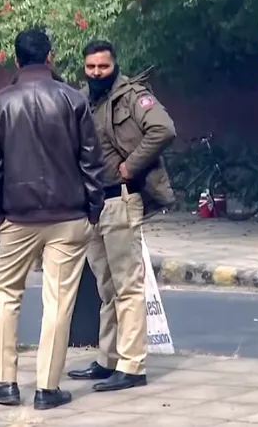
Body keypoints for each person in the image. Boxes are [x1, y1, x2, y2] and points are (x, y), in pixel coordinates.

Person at [0, 27, 104, 410]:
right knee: (59, 302)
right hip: (69, 213)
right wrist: (93, 208)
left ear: (17, 60)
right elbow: (91, 160)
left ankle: (4, 382)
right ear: (50, 57)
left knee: (6, 295)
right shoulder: (73, 100)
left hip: (17, 215)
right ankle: (47, 388)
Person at [67, 40, 176, 391]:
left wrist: (131, 164)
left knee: (127, 286)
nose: (97, 72)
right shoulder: (81, 99)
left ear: (114, 65)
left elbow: (163, 129)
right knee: (107, 287)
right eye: (91, 67)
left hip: (121, 199)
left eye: (103, 66)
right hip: (92, 203)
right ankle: (108, 359)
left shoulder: (133, 96)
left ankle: (131, 366)